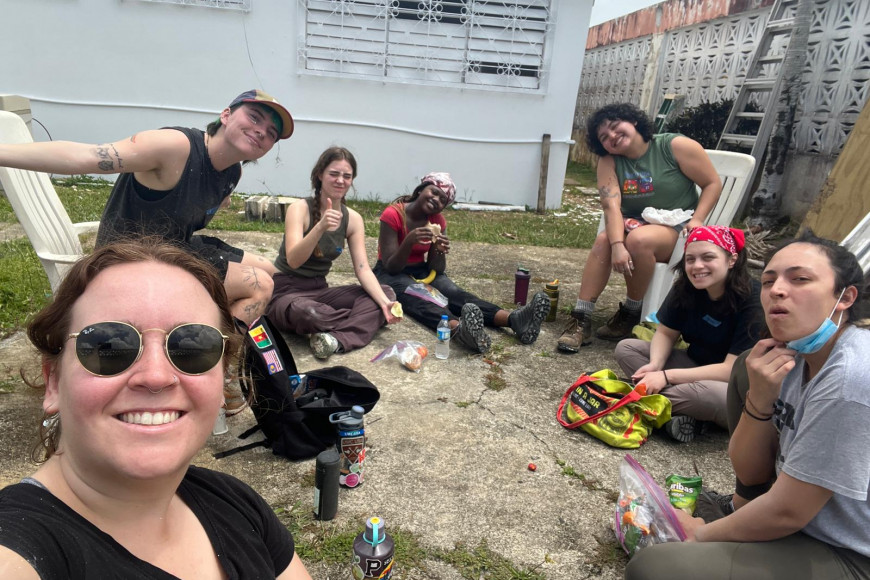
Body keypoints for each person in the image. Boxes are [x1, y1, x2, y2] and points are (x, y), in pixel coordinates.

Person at [0, 239, 312, 578]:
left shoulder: (235, 503)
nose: (156, 376)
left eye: (192, 347)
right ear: (54, 382)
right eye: (109, 347)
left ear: (222, 381)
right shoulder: (18, 548)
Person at [625, 232, 870, 580]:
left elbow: (789, 511)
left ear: (844, 297)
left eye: (800, 279)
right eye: (769, 281)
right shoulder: (794, 350)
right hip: (798, 515)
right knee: (746, 366)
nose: (777, 290)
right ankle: (738, 513)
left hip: (847, 548)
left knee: (654, 569)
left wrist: (700, 535)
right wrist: (761, 396)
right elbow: (751, 474)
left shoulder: (851, 378)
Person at [0, 89, 294, 326]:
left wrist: (219, 198)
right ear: (226, 115)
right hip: (128, 260)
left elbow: (202, 198)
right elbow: (87, 156)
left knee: (271, 270)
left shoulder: (232, 173)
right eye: (254, 117)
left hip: (175, 249)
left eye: (271, 133)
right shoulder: (174, 147)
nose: (261, 132)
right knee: (260, 287)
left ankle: (201, 321)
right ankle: (213, 357)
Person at [558, 103, 722, 352]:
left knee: (639, 240)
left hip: (676, 226)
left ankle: (631, 311)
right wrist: (616, 244)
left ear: (633, 121)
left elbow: (712, 183)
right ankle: (581, 318)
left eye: (615, 126)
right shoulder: (609, 161)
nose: (612, 136)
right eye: (604, 137)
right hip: (632, 223)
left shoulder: (673, 146)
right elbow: (611, 206)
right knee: (604, 241)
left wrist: (698, 219)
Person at [614, 225, 762, 442]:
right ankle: (681, 414)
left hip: (734, 388)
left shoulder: (754, 300)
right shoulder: (686, 287)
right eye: (690, 259)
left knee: (711, 396)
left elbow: (731, 370)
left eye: (708, 257)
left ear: (732, 260)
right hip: (693, 368)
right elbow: (665, 333)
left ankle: (637, 397)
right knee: (627, 348)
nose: (697, 266)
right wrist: (655, 365)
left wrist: (666, 376)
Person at [374, 172, 550, 353]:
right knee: (422, 298)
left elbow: (437, 269)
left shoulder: (437, 221)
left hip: (421, 270)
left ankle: (514, 320)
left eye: (443, 200)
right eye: (434, 192)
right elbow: (391, 266)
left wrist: (439, 251)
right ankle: (460, 329)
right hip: (390, 274)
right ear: (421, 190)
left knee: (454, 293)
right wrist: (409, 241)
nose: (436, 199)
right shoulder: (394, 214)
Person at [266, 147, 400, 359]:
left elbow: (363, 269)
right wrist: (320, 227)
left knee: (386, 293)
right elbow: (293, 260)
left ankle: (336, 340)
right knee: (308, 313)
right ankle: (362, 321)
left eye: (347, 176)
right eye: (334, 174)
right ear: (320, 174)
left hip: (320, 291)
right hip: (286, 292)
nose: (340, 180)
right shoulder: (299, 209)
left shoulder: (353, 219)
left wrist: (384, 304)